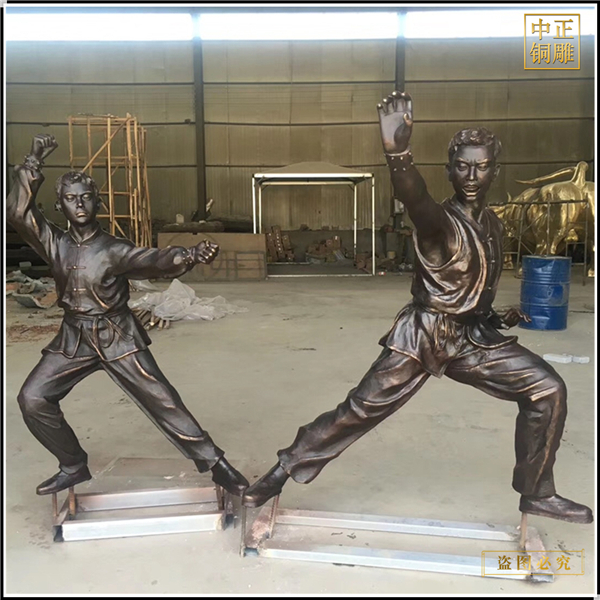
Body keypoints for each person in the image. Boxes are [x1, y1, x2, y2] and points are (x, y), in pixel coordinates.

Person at [242, 92, 593, 525]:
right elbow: (416, 199)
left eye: (481, 166)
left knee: (547, 389)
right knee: (360, 410)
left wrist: (491, 314)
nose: (471, 176)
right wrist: (398, 156)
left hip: (472, 338)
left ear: (494, 171)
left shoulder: (493, 224)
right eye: (462, 166)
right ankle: (279, 473)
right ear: (448, 170)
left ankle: (538, 492)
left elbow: (468, 286)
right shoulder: (438, 223)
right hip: (424, 334)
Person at [7, 134, 249, 497]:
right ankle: (72, 465)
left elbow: (152, 259)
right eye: (71, 199)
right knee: (32, 398)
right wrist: (33, 162)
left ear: (98, 202)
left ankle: (217, 465)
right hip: (73, 338)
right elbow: (17, 213)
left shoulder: (113, 249)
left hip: (116, 335)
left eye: (86, 197)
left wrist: (189, 255)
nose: (79, 204)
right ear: (59, 206)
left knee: (163, 400)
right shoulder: (53, 242)